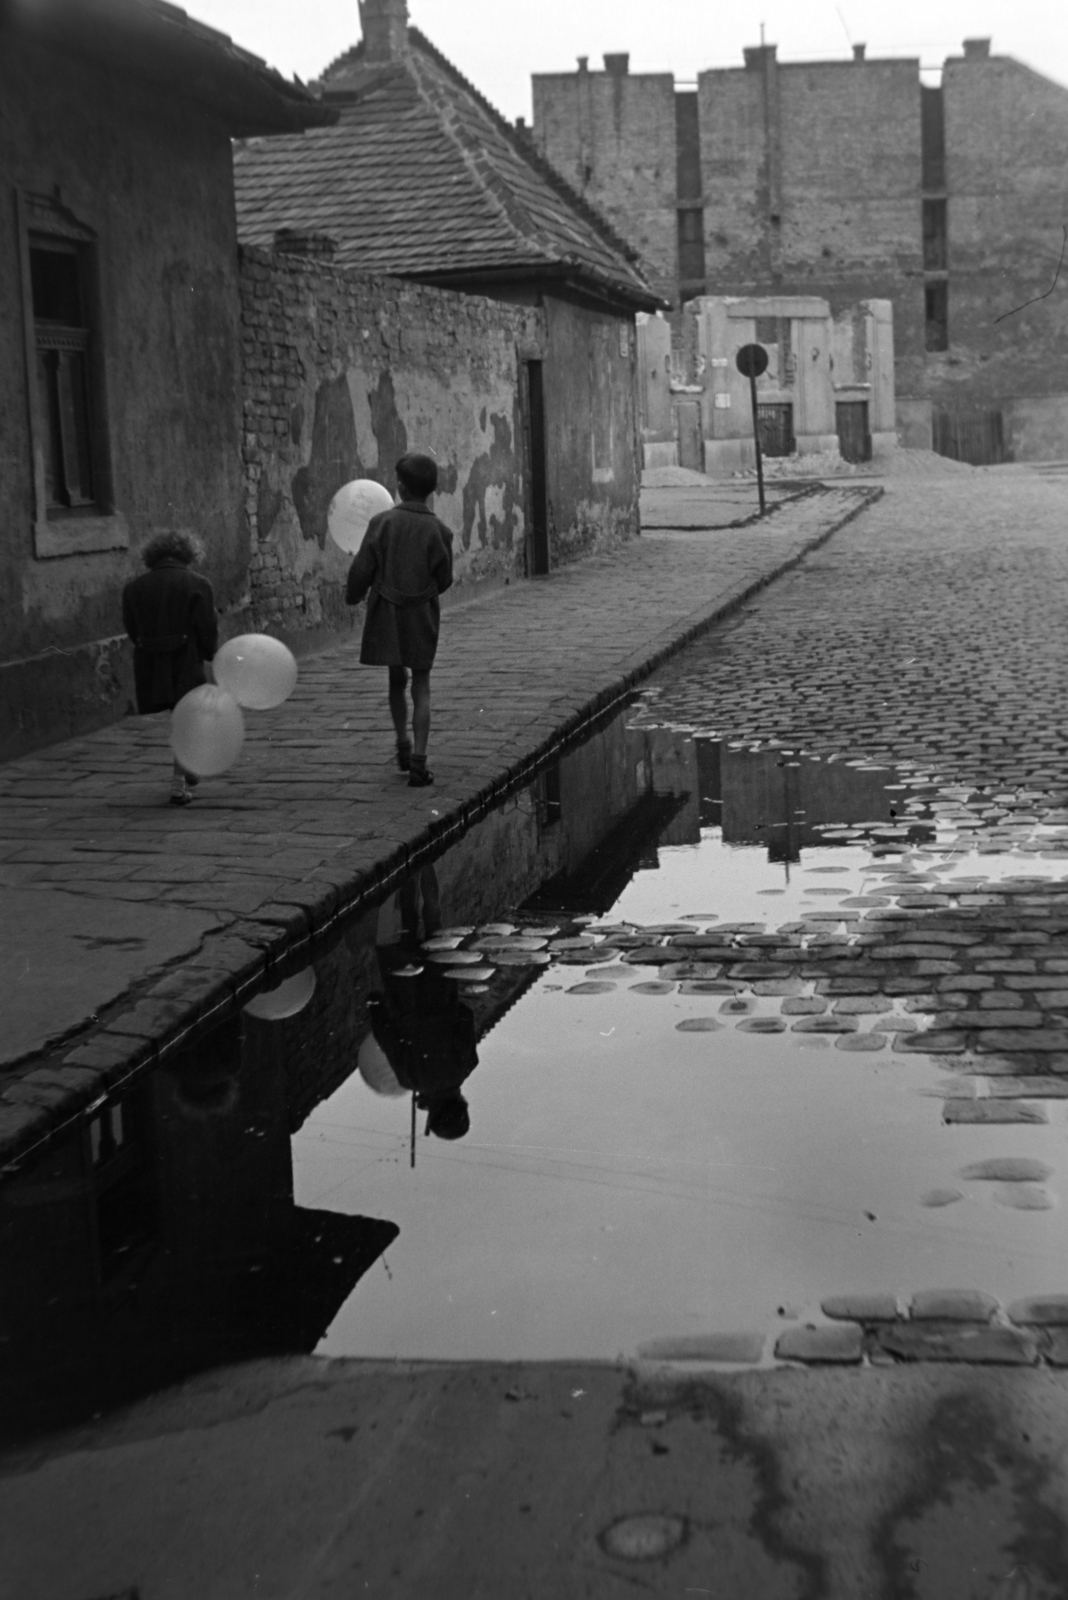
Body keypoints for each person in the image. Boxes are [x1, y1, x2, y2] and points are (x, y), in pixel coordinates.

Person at [345, 452, 453, 787]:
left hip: (387, 614)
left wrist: (353, 594)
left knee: (396, 678)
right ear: (431, 490)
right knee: (422, 685)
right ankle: (420, 761)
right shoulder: (440, 530)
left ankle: (402, 743)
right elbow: (445, 579)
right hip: (421, 615)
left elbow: (362, 569)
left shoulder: (382, 523)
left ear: (401, 487)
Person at [122, 529, 219, 806]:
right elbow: (207, 626)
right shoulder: (198, 583)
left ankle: (187, 767)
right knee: (187, 717)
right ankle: (178, 782)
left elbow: (132, 628)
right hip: (185, 659)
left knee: (179, 715)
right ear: (188, 554)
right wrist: (209, 652)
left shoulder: (134, 587)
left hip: (151, 661)